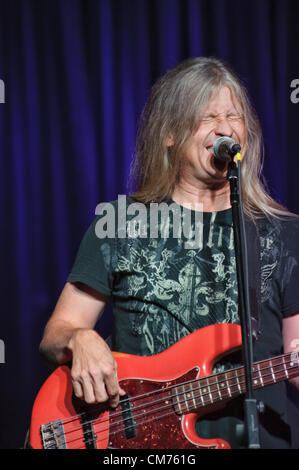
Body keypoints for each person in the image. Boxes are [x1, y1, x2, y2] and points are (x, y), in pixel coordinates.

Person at [39, 57, 299, 449]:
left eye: (234, 116)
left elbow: (294, 357)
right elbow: (54, 335)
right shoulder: (122, 223)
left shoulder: (282, 232)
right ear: (170, 134)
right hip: (143, 442)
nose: (226, 129)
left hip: (258, 436)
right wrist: (79, 339)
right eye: (208, 117)